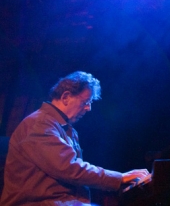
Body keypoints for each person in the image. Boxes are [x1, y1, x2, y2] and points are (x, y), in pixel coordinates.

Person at [0, 71, 150, 206]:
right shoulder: (40, 124)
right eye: (85, 102)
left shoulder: (62, 127)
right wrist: (120, 178)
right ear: (65, 97)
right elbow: (70, 168)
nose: (88, 108)